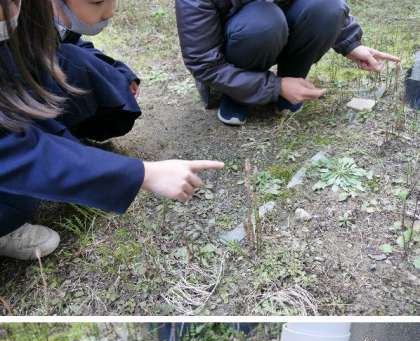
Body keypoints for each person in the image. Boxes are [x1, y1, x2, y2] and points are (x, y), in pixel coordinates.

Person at [0, 0, 223, 261]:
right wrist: (142, 174)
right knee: (20, 183)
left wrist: (119, 73)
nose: (15, 11)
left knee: (69, 64)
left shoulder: (29, 18)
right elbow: (14, 153)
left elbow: (66, 47)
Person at [175, 0, 400, 126]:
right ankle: (236, 96)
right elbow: (202, 61)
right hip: (241, 45)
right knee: (263, 22)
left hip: (274, 28)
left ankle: (293, 83)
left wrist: (350, 44)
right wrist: (275, 86)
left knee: (329, 6)